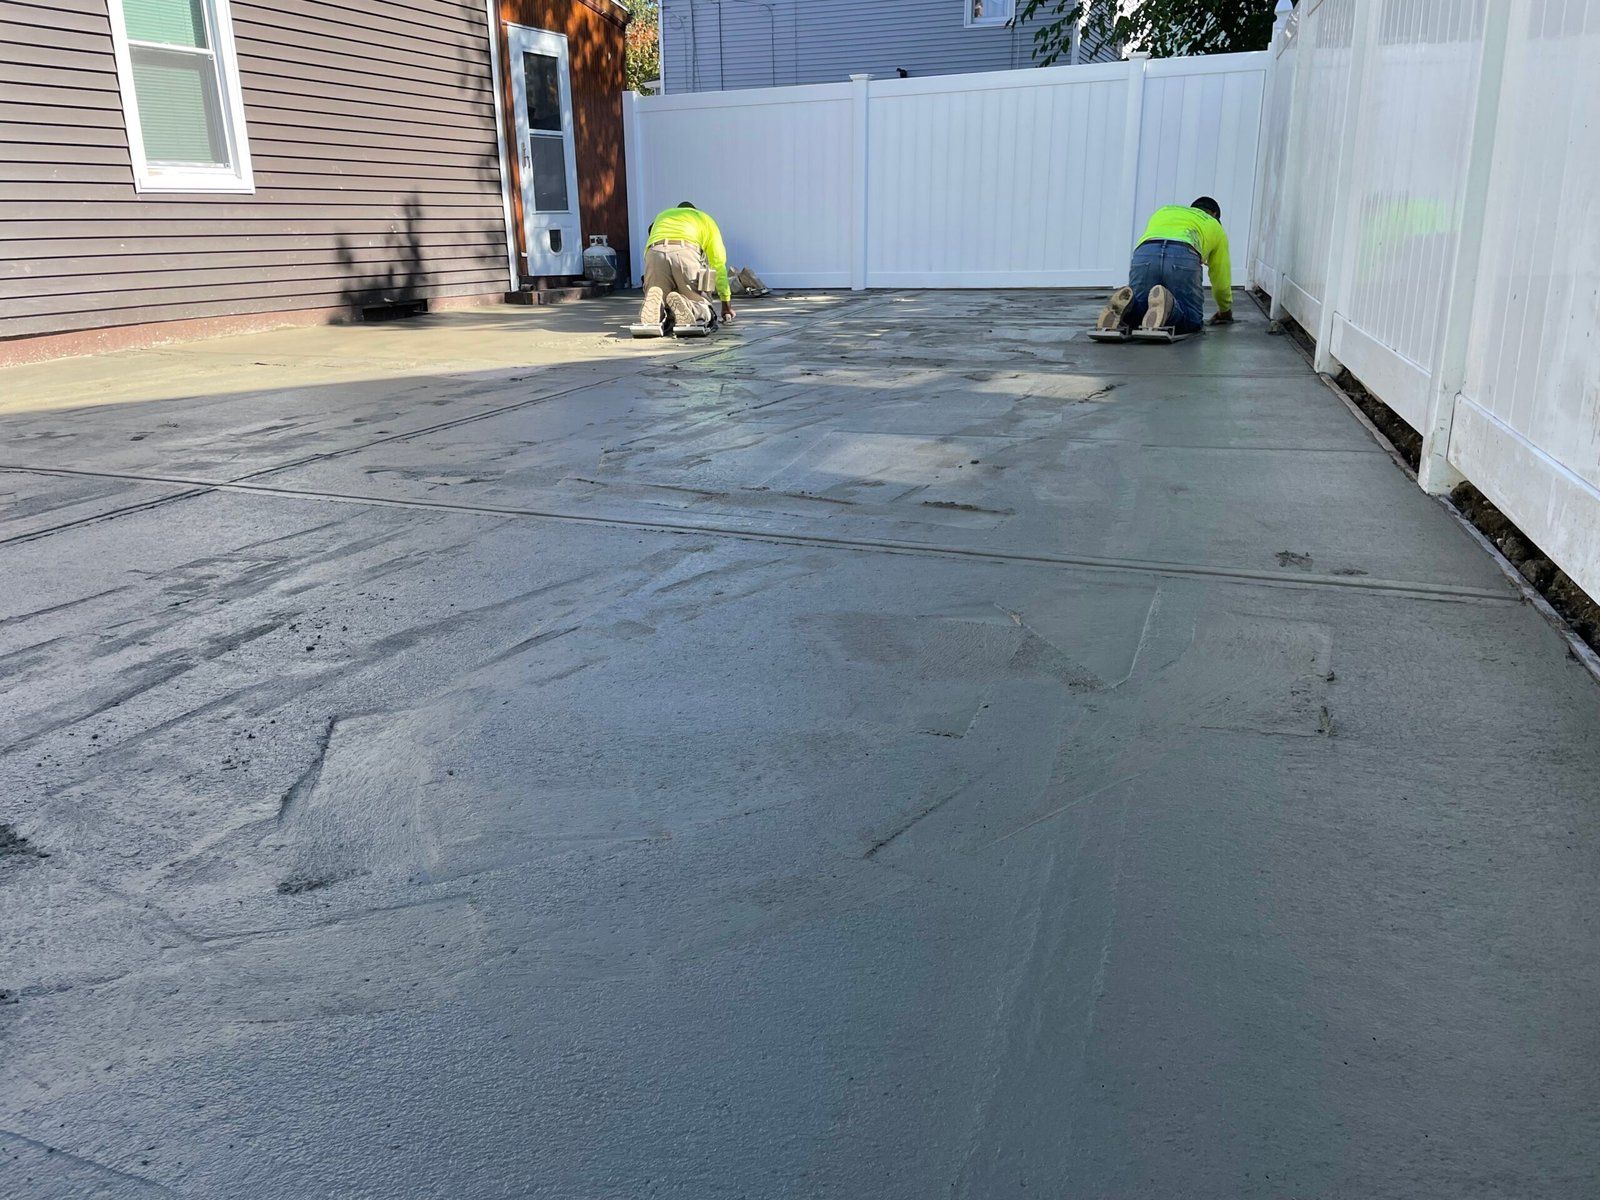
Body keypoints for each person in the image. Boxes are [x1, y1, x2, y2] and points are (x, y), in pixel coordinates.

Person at [1097, 197, 1233, 335]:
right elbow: (1221, 278)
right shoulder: (1214, 224)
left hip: (1146, 252)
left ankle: (1127, 307)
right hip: (1183, 254)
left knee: (1142, 313)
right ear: (1214, 214)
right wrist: (1225, 310)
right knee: (1192, 321)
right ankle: (1169, 306)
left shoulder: (1165, 211)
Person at [638, 202, 736, 331]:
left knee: (660, 295)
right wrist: (726, 304)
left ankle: (659, 309)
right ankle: (691, 307)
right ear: (693, 210)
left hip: (654, 253)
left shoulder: (663, 216)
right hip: (685, 252)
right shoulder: (704, 218)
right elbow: (718, 265)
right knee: (701, 306)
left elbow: (651, 231)